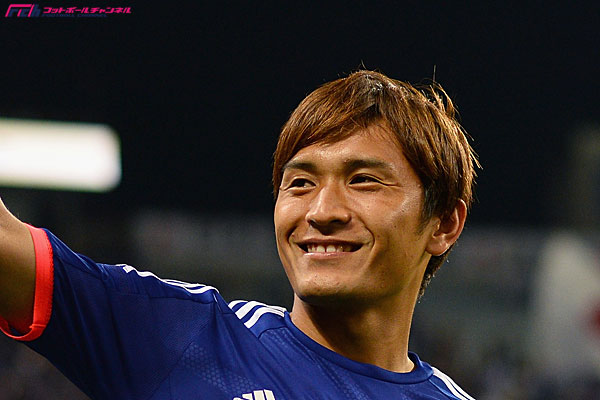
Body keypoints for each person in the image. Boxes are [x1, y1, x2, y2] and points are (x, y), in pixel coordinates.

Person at [0, 70, 478, 399]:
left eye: (363, 180)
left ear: (443, 224)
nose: (322, 211)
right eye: (300, 183)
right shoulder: (182, 337)